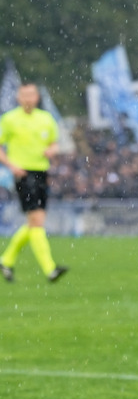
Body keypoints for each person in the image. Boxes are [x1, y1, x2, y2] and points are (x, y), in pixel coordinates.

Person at [0, 84, 68, 283]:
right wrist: (11, 166)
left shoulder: (46, 119)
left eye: (31, 95)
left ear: (37, 97)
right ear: (18, 98)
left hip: (41, 173)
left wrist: (52, 151)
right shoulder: (9, 119)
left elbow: (54, 144)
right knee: (37, 221)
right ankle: (50, 269)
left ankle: (6, 259)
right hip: (23, 173)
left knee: (34, 222)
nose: (28, 99)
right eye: (24, 95)